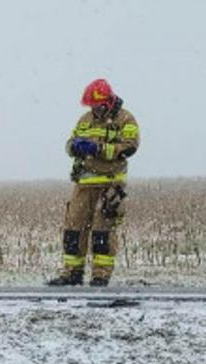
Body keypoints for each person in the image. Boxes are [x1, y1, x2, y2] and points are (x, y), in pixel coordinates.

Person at [50, 78, 139, 287]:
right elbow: (69, 144)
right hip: (83, 185)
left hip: (111, 185)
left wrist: (98, 149)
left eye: (96, 105)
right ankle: (72, 273)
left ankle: (100, 276)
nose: (93, 109)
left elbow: (129, 147)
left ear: (107, 102)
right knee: (73, 228)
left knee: (103, 232)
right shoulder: (84, 120)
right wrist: (75, 147)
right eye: (90, 106)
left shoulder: (126, 120)